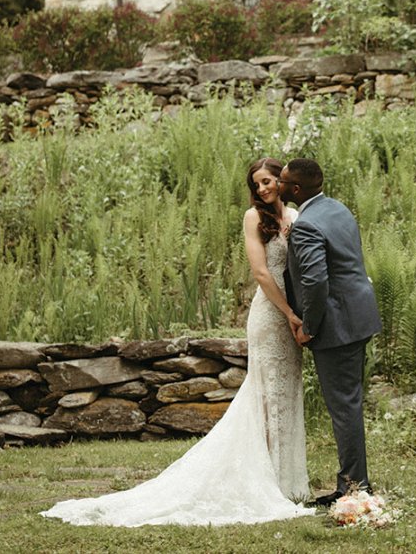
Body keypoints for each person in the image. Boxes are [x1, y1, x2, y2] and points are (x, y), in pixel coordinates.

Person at [41, 157, 314, 527]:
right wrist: (289, 313)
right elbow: (261, 273)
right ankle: (266, 481)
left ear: (282, 181)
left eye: (268, 182)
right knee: (265, 394)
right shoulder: (254, 219)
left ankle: (290, 482)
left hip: (293, 316)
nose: (263, 189)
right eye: (257, 185)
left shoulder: (297, 218)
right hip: (270, 314)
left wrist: (303, 315)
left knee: (287, 392)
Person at [278, 157, 382, 506]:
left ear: (295, 189)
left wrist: (309, 327)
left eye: (281, 181)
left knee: (344, 407)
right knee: (349, 403)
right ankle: (354, 481)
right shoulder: (336, 208)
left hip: (337, 324)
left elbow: (316, 281)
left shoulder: (306, 225)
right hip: (358, 316)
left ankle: (355, 487)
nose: (277, 186)